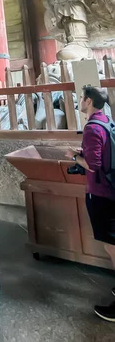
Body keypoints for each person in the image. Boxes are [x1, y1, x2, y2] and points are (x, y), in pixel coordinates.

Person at [66, 86, 115, 321]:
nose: (80, 101)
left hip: (101, 193)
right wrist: (83, 152)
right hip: (109, 190)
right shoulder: (105, 121)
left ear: (89, 101)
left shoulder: (91, 128)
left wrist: (75, 157)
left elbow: (93, 165)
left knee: (112, 245)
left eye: (82, 98)